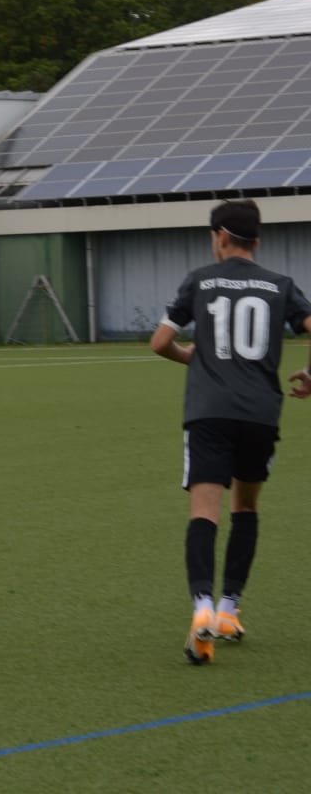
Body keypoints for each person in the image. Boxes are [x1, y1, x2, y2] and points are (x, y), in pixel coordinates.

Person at [151, 199, 311, 665]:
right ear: (256, 241)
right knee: (246, 507)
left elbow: (160, 342)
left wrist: (192, 357)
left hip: (209, 412)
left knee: (205, 511)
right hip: (260, 413)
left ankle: (201, 607)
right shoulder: (280, 284)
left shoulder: (200, 280)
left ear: (219, 237)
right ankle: (228, 609)